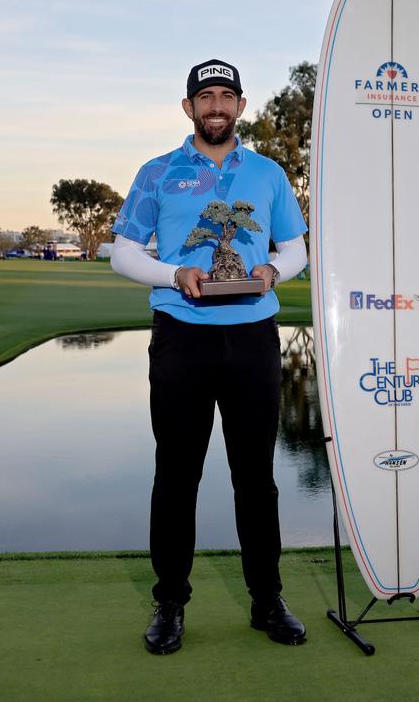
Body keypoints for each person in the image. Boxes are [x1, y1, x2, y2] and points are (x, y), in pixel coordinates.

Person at [111, 59, 310, 655]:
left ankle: (266, 599)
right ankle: (170, 602)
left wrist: (273, 270)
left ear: (240, 106)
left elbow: (295, 248)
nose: (216, 106)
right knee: (177, 476)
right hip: (182, 337)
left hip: (252, 338)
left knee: (256, 478)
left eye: (226, 96)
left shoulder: (268, 172)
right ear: (189, 107)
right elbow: (124, 253)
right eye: (206, 97)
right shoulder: (158, 172)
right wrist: (175, 273)